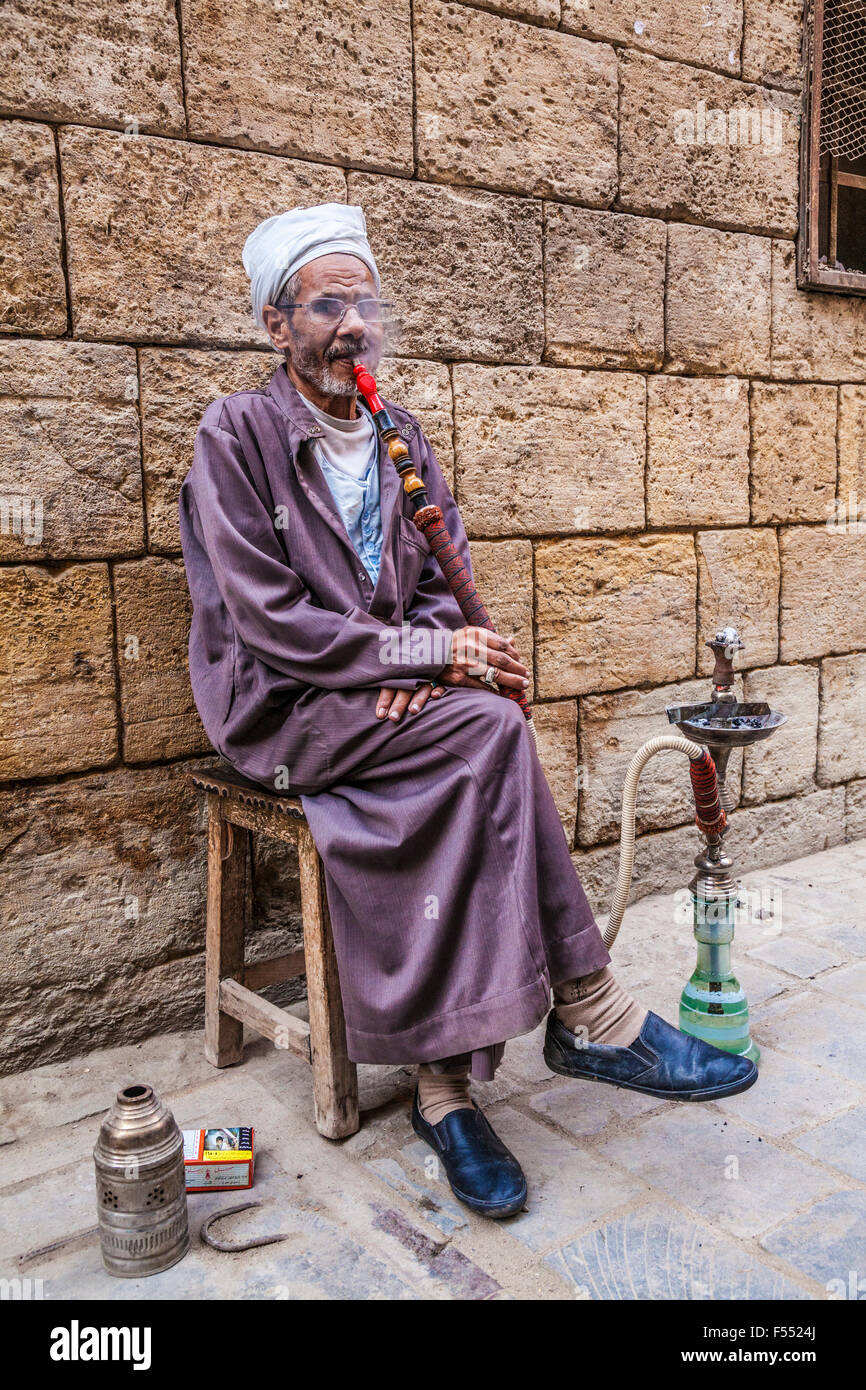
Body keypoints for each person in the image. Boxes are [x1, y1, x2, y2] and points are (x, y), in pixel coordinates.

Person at [179, 203, 757, 1220]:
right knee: (489, 730)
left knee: (475, 727)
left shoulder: (399, 434)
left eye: (365, 302)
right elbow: (265, 617)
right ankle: (552, 1029)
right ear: (277, 325)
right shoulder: (237, 435)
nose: (352, 324)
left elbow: (445, 588)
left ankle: (466, 1077)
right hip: (282, 705)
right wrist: (407, 656)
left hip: (391, 695)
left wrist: (434, 657)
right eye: (327, 304)